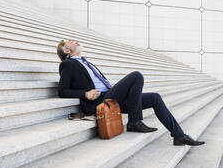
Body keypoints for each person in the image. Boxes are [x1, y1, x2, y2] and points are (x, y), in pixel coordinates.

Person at [56, 39, 205, 146]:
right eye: (71, 42)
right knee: (136, 75)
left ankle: (179, 136)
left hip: (111, 97)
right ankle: (134, 122)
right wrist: (85, 94)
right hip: (100, 101)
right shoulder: (68, 64)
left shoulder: (86, 62)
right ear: (67, 51)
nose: (75, 42)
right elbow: (62, 91)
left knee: (155, 98)